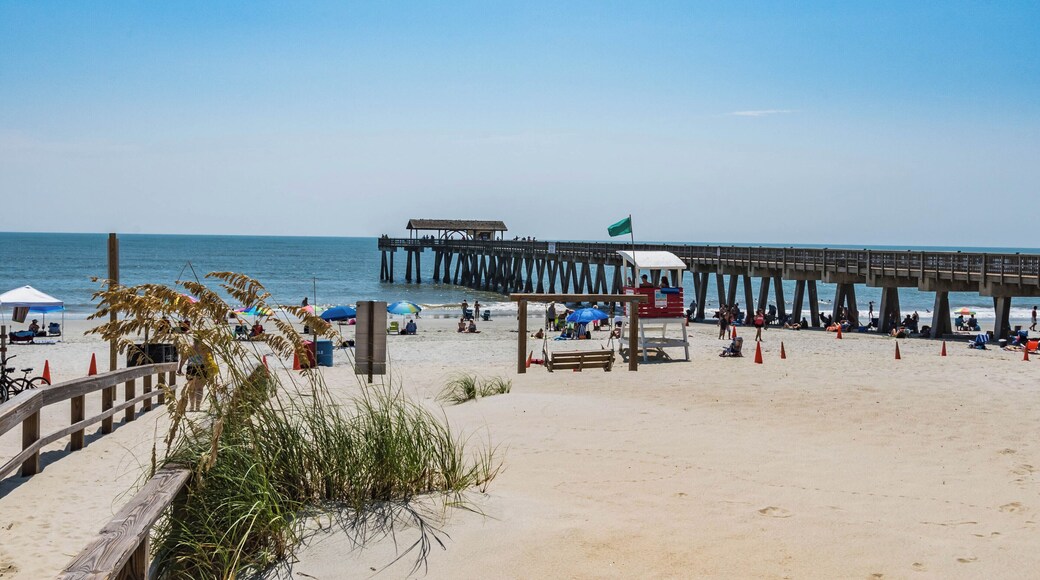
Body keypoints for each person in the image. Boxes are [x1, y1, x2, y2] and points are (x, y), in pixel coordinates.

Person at [177, 339, 216, 412]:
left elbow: (183, 359)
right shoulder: (206, 348)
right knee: (199, 388)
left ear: (194, 340)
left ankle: (192, 406)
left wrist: (180, 368)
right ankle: (197, 407)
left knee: (192, 388)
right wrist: (211, 370)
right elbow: (211, 360)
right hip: (202, 368)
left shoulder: (189, 348)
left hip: (191, 368)